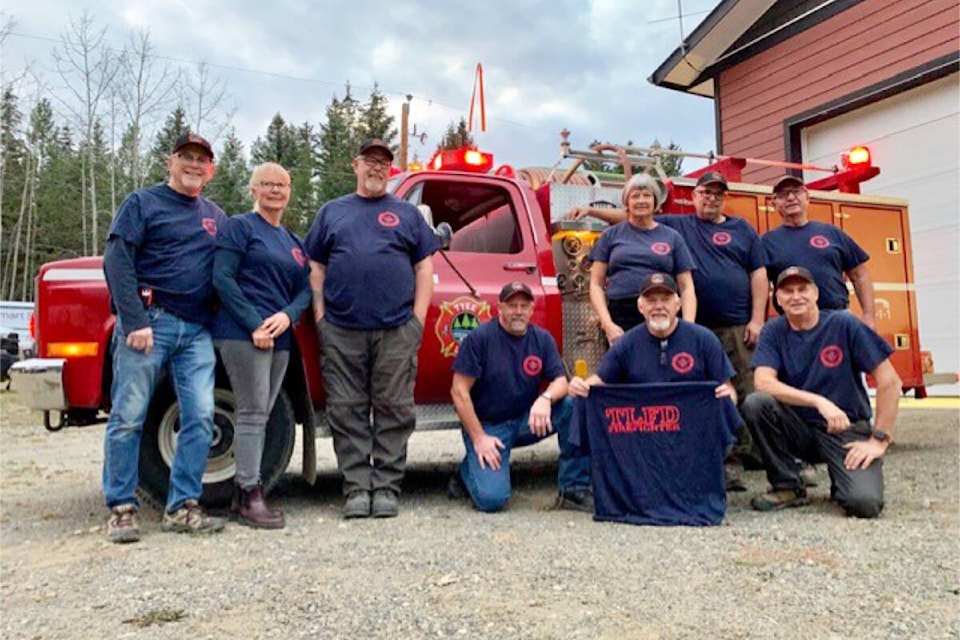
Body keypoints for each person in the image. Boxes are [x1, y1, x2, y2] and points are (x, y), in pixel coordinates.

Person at [102, 133, 228, 543]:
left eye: (202, 160)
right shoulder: (142, 203)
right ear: (170, 162)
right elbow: (117, 260)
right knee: (128, 417)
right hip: (148, 325)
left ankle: (182, 506)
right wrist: (134, 319)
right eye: (186, 157)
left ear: (210, 171)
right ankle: (121, 508)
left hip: (196, 331)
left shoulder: (216, 216)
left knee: (200, 417)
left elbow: (231, 269)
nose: (194, 165)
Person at [305, 139, 439, 519]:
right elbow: (316, 266)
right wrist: (320, 318)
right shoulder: (332, 212)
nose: (377, 168)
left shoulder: (407, 214)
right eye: (370, 162)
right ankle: (356, 489)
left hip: (397, 328)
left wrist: (417, 321)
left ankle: (386, 488)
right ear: (356, 165)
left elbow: (424, 269)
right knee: (346, 410)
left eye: (384, 163)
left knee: (394, 408)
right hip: (341, 329)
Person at [742, 266, 900, 518]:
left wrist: (879, 440)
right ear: (778, 299)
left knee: (864, 504)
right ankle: (787, 486)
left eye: (802, 289)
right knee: (756, 403)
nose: (795, 296)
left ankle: (844, 480)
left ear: (816, 293)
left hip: (844, 429)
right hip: (799, 429)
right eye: (787, 291)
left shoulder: (844, 324)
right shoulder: (774, 331)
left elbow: (890, 382)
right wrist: (818, 401)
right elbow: (763, 382)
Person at [212, 162, 311, 529]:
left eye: (282, 185)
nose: (275, 191)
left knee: (262, 414)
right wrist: (254, 323)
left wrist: (288, 315)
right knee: (253, 413)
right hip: (241, 334)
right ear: (253, 190)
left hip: (280, 337)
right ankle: (251, 494)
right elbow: (222, 278)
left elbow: (305, 289)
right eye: (267, 184)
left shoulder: (292, 242)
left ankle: (241, 498)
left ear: (289, 191)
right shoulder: (239, 228)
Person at [449, 281, 593, 513]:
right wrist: (479, 438)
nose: (518, 311)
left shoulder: (542, 339)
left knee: (573, 404)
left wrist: (545, 399)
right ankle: (467, 471)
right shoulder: (480, 338)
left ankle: (573, 488)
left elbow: (561, 382)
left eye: (524, 306)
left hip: (526, 421)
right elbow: (458, 391)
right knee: (492, 500)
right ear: (499, 308)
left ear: (531, 309)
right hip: (489, 427)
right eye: (512, 305)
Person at [570, 273, 736, 403]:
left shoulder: (704, 340)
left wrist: (728, 396)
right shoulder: (626, 344)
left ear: (678, 305)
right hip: (644, 435)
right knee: (575, 403)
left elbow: (729, 390)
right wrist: (579, 387)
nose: (658, 306)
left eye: (665, 299)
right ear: (640, 307)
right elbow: (599, 382)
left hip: (693, 431)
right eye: (651, 300)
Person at [585, 174, 697, 343]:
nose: (641, 200)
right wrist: (607, 324)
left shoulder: (672, 237)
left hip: (661, 310)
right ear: (626, 203)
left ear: (655, 202)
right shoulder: (610, 236)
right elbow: (595, 284)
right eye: (635, 196)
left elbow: (686, 287)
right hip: (622, 315)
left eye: (646, 195)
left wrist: (688, 327)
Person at [762, 175, 876, 328]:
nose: (790, 198)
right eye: (782, 195)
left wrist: (869, 316)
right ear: (773, 203)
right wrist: (759, 321)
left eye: (796, 192)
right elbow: (759, 287)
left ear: (807, 197)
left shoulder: (832, 233)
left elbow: (860, 275)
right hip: (793, 325)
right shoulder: (766, 242)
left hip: (837, 319)